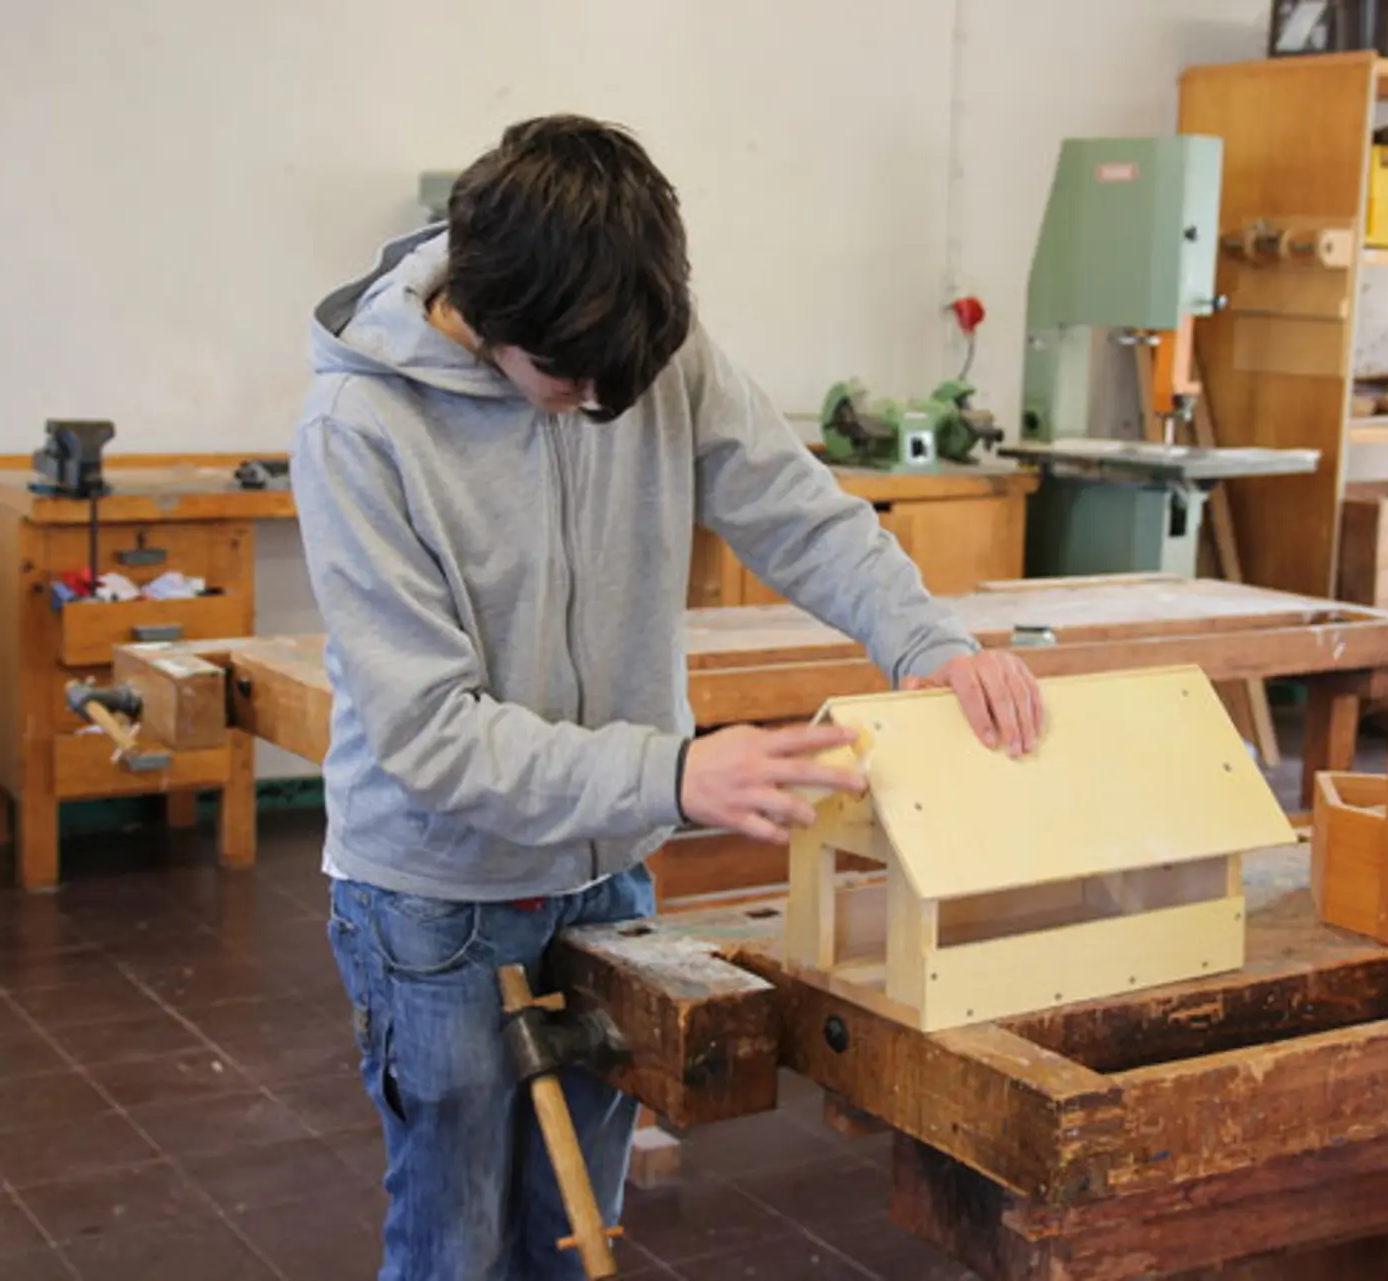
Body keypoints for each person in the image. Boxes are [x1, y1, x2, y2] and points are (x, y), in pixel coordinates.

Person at [289, 114, 1044, 1281]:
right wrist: (676, 773)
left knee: (576, 1232)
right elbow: (430, 738)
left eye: (621, 384)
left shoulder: (638, 342)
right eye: (567, 380)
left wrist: (929, 647)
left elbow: (798, 510)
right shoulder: (360, 428)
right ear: (485, 320)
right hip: (434, 902)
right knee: (454, 1244)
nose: (599, 403)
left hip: (606, 880)